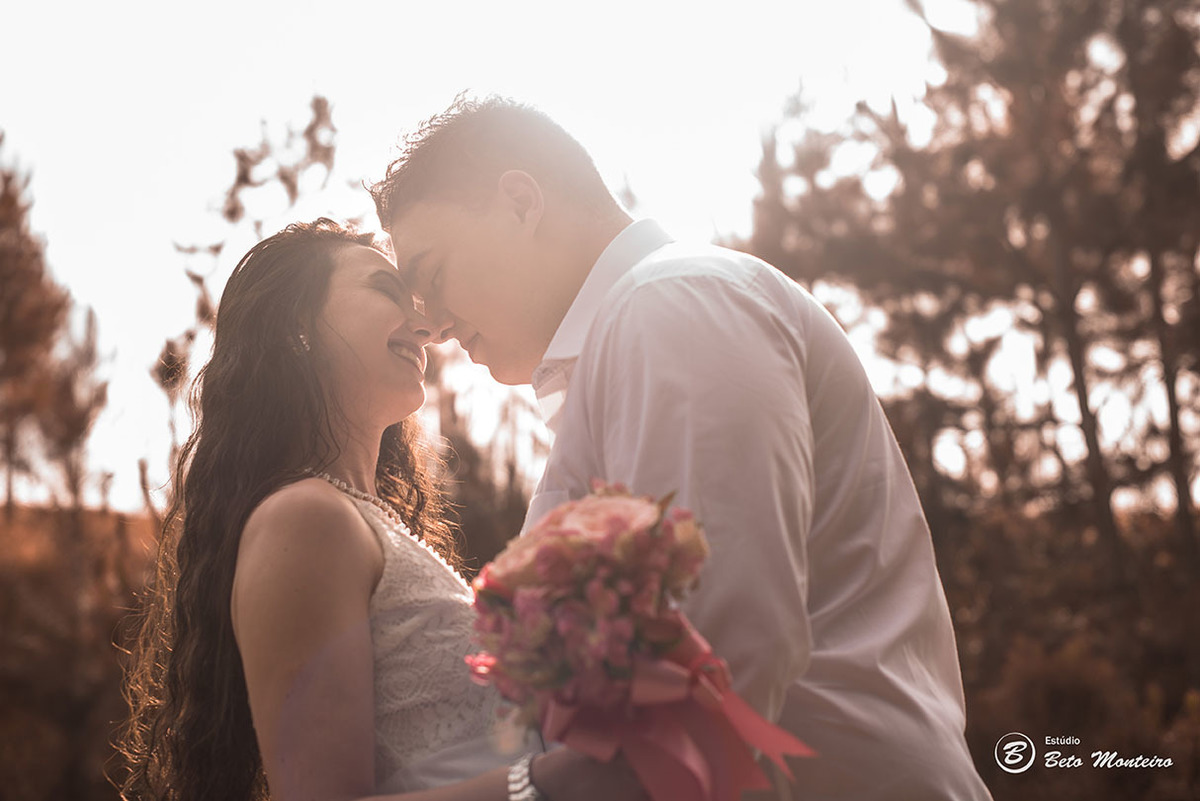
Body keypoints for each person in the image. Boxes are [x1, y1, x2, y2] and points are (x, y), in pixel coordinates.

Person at [372, 96, 995, 801]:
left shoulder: (672, 308)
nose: (434, 324)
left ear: (520, 203)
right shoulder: (639, 334)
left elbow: (712, 685)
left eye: (432, 275)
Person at [117, 219, 643, 801]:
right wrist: (550, 782)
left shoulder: (355, 518)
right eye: (386, 293)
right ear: (298, 328)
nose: (425, 326)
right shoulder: (303, 518)